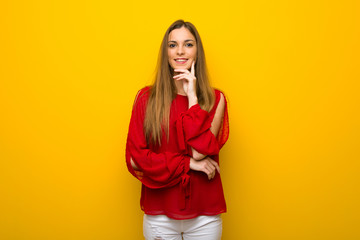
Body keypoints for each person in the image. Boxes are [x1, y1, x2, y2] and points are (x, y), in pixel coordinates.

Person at [125, 19, 229, 240]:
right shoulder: (146, 98)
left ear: (197, 51)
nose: (180, 51)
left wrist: (192, 98)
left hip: (204, 219)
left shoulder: (215, 99)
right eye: (173, 45)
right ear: (166, 52)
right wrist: (189, 164)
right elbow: (136, 159)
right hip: (160, 218)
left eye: (188, 44)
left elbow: (200, 151)